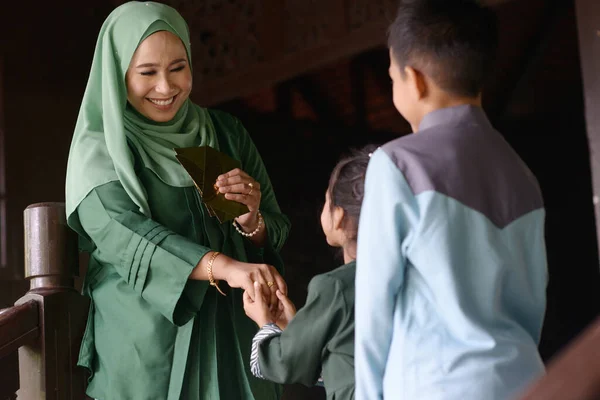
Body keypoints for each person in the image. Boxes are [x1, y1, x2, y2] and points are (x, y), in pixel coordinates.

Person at [64, 2, 290, 399]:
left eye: (178, 68)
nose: (166, 88)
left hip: (232, 331)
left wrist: (251, 219)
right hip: (146, 341)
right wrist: (227, 268)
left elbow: (275, 228)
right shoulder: (100, 149)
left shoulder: (226, 132)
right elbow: (125, 236)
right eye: (147, 73)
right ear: (117, 72)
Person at [354, 1, 548, 399]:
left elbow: (374, 311)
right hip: (526, 382)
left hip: (436, 385)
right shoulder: (524, 177)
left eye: (393, 78)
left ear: (415, 80)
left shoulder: (398, 164)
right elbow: (532, 310)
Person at [242, 145, 376, 400]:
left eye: (327, 200)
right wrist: (296, 329)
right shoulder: (411, 273)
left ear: (339, 216)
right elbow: (348, 359)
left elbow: (283, 363)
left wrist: (266, 324)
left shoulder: (336, 286)